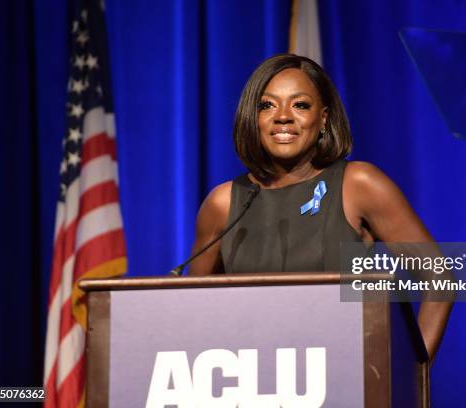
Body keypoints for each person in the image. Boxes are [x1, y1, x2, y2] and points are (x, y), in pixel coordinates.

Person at [188, 54, 451, 361]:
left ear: (323, 118)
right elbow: (194, 308)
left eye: (299, 104)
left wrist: (408, 378)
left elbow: (440, 282)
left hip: (344, 379)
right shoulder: (223, 202)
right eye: (267, 105)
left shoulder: (359, 185)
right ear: (253, 117)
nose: (283, 116)